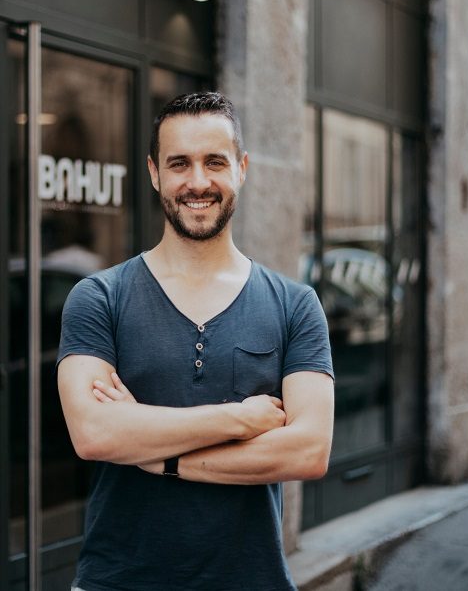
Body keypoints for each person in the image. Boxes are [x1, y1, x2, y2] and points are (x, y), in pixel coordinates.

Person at [57, 91, 335, 591]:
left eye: (215, 162)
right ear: (154, 172)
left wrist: (155, 454)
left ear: (242, 168)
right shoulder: (100, 297)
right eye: (179, 163)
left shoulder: (296, 305)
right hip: (118, 581)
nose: (198, 182)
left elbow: (307, 451)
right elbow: (95, 435)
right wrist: (240, 420)